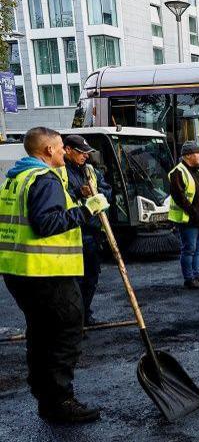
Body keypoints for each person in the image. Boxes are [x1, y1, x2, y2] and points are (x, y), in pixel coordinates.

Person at [0, 127, 110, 423]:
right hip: (46, 272)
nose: (64, 151)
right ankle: (60, 400)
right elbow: (47, 224)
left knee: (41, 333)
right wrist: (88, 209)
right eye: (60, 147)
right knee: (65, 332)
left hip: (19, 271)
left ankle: (45, 397)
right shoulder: (44, 179)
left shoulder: (16, 178)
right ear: (48, 150)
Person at [62, 134, 111, 326]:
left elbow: (107, 190)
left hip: (93, 231)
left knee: (91, 277)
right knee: (76, 281)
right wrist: (77, 192)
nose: (85, 156)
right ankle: (75, 321)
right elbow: (61, 198)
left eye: (87, 153)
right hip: (74, 231)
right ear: (67, 150)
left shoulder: (90, 171)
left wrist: (98, 194)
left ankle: (85, 315)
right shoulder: (61, 172)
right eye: (81, 153)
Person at [169, 141, 199, 289]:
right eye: (197, 153)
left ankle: (196, 275)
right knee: (189, 249)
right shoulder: (178, 172)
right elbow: (179, 197)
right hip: (188, 220)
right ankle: (189, 278)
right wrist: (193, 212)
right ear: (187, 155)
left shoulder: (198, 171)